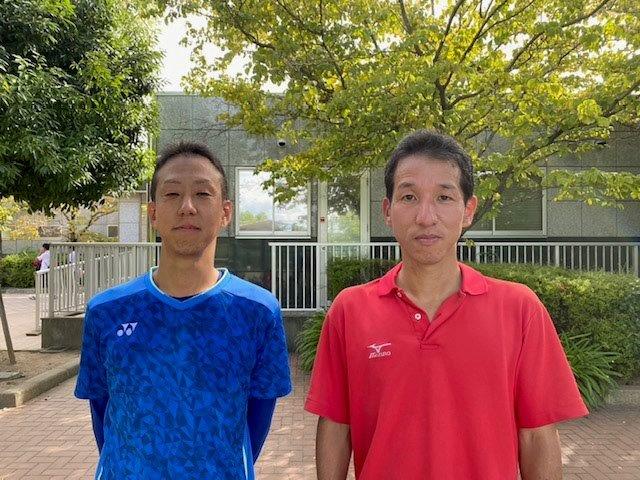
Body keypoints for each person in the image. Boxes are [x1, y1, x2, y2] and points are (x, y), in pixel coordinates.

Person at [305, 130, 588, 479]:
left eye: (443, 197)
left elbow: (537, 435)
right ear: (388, 211)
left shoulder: (519, 309)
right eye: (409, 197)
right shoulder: (350, 310)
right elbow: (336, 425)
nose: (426, 216)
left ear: (468, 210)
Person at [75, 141, 292, 479]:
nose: (187, 207)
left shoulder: (257, 311)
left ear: (225, 213)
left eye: (203, 194)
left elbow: (256, 419)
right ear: (153, 213)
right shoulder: (108, 311)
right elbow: (104, 411)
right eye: (172, 194)